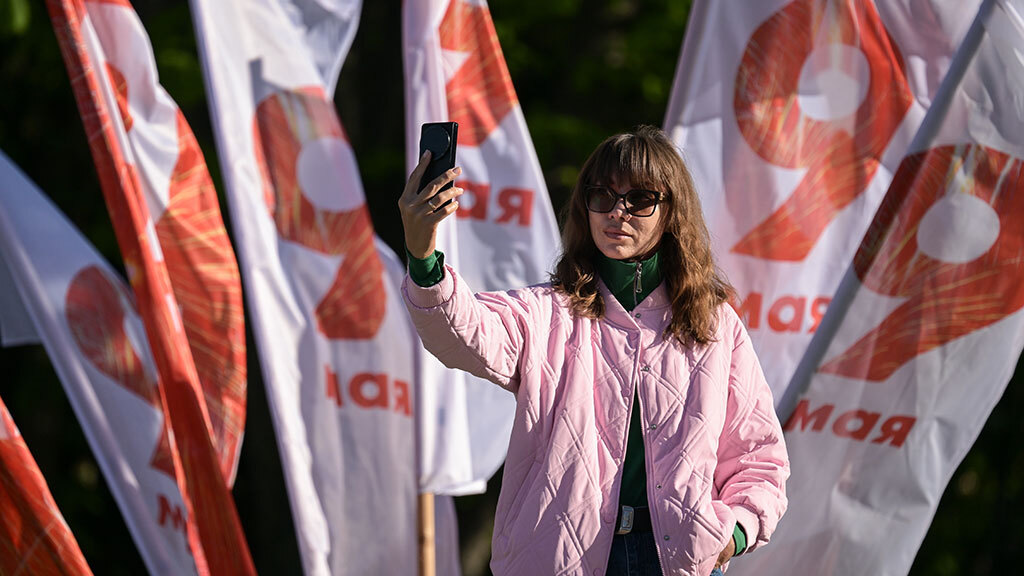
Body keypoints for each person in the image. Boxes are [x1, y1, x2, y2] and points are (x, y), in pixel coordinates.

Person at [398, 125, 789, 576]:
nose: (616, 212)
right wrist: (422, 254)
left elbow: (760, 459)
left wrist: (733, 532)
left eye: (639, 199)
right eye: (601, 196)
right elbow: (460, 329)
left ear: (672, 211)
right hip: (562, 560)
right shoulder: (546, 312)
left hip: (679, 563)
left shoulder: (716, 324)